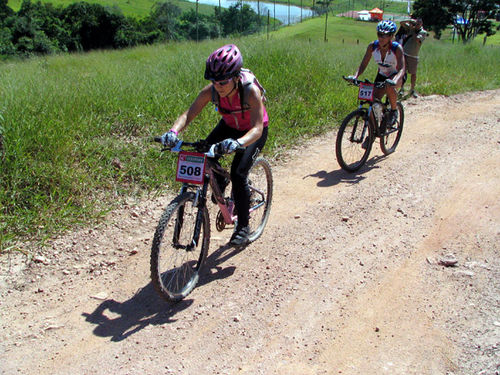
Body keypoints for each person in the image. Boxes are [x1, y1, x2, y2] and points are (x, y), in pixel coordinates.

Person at [161, 44, 268, 246]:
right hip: (228, 126)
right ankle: (221, 183)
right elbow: (188, 114)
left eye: (223, 81)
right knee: (205, 156)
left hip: (252, 133)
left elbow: (257, 128)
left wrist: (238, 143)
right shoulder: (211, 91)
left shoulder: (250, 91)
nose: (218, 85)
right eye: (213, 80)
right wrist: (173, 132)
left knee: (238, 173)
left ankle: (243, 226)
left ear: (236, 76)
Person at [350, 20, 405, 127]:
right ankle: (373, 132)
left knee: (389, 86)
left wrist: (394, 80)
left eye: (385, 35)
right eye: (379, 34)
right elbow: (363, 64)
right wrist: (355, 76)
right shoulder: (372, 46)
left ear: (391, 36)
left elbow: (402, 69)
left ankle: (394, 111)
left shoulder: (396, 48)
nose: (381, 37)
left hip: (396, 75)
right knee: (372, 101)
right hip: (382, 75)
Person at [398, 18, 427, 98]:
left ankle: (412, 89)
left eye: (418, 24)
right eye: (415, 24)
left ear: (421, 24)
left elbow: (417, 39)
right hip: (405, 53)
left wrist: (413, 30)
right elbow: (401, 23)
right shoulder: (411, 28)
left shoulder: (423, 32)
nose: (416, 25)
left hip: (413, 55)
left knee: (413, 73)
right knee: (403, 72)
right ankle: (401, 89)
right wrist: (409, 21)